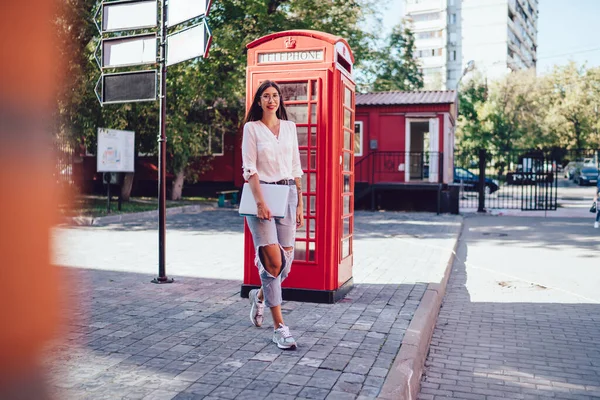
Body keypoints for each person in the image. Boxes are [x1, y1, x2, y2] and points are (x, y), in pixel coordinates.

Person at [241, 80, 304, 350]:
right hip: (261, 196)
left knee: (285, 262)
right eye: (266, 96)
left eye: (275, 96)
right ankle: (280, 327)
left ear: (280, 100)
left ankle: (260, 295)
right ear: (259, 101)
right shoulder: (252, 128)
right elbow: (249, 168)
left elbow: (296, 167)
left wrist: (299, 202)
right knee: (272, 264)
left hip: (288, 193)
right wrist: (259, 202)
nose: (271, 100)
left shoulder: (289, 128)